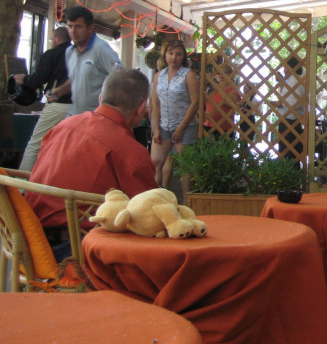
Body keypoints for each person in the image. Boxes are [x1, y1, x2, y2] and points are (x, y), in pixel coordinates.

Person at [25, 68, 158, 262]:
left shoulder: (63, 126)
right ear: (141, 108)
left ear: (101, 98)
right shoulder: (131, 152)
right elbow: (150, 212)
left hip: (28, 239)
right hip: (77, 251)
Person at [47, 6, 122, 116]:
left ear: (90, 28)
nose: (73, 31)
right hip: (75, 116)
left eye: (78, 26)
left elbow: (121, 77)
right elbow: (75, 79)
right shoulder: (70, 52)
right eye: (70, 26)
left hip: (97, 118)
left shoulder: (100, 49)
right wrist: (60, 91)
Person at [14, 27, 72, 172]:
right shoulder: (81, 54)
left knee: (35, 144)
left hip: (58, 104)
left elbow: (39, 79)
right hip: (80, 107)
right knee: (65, 146)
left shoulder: (52, 54)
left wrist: (24, 79)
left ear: (58, 39)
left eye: (52, 39)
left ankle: (21, 182)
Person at [150, 39, 199, 192]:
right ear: (165, 55)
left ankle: (186, 200)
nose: (174, 57)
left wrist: (181, 127)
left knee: (185, 166)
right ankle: (155, 197)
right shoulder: (159, 76)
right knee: (156, 162)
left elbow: (195, 103)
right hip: (163, 125)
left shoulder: (188, 75)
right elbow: (156, 104)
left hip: (185, 125)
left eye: (178, 54)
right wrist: (155, 129)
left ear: (183, 57)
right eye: (170, 53)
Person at [276, 56, 306, 158]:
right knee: (288, 153)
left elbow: (295, 103)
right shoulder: (292, 80)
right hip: (289, 121)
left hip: (290, 122)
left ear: (291, 67)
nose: (284, 70)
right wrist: (282, 83)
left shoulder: (295, 80)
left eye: (285, 67)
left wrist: (280, 104)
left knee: (288, 154)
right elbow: (287, 98)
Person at [204, 62, 242, 138]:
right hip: (208, 124)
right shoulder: (213, 88)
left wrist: (220, 87)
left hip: (223, 127)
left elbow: (230, 104)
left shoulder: (233, 89)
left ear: (231, 74)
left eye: (225, 72)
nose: (221, 75)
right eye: (219, 73)